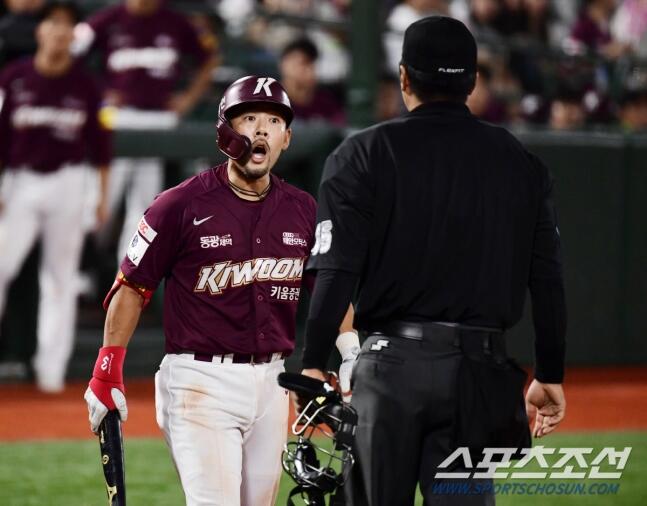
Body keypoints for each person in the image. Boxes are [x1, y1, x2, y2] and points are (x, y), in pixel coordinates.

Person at [300, 16, 567, 505]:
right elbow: (547, 280)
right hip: (480, 373)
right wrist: (550, 372)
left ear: (404, 77)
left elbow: (337, 272)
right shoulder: (522, 162)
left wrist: (314, 360)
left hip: (390, 371)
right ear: (472, 81)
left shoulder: (362, 154)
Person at [84, 76, 354, 506]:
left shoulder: (303, 208)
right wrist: (106, 368)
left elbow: (327, 283)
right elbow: (132, 286)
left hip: (272, 383)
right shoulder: (179, 204)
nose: (261, 129)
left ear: (287, 138)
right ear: (225, 133)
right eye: (249, 118)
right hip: (199, 382)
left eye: (273, 120)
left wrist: (350, 347)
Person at [0, 0, 111, 392]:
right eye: (53, 24)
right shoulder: (13, 77)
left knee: (60, 280)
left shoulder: (86, 85)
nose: (59, 32)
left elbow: (101, 147)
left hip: (68, 179)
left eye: (67, 26)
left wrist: (99, 197)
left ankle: (51, 370)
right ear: (40, 30)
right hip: (19, 181)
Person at [73, 0, 218, 262]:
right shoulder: (108, 19)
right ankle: (87, 267)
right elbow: (73, 52)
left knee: (144, 208)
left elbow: (209, 58)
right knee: (101, 201)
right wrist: (99, 94)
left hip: (159, 120)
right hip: (120, 119)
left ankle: (127, 275)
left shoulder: (176, 22)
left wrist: (188, 98)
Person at [279, 37, 346, 125]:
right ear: (284, 64)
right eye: (302, 63)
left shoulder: (325, 101)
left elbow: (339, 128)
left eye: (311, 64)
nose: (308, 69)